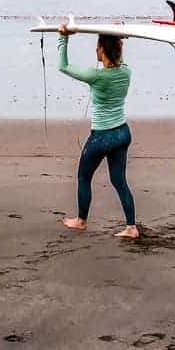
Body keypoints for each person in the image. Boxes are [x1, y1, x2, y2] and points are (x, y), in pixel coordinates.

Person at [57, 23, 139, 238]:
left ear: (101, 51)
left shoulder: (97, 76)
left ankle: (81, 221)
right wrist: (118, 36)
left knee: (84, 177)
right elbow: (119, 57)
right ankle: (131, 227)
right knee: (119, 180)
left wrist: (63, 37)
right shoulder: (126, 72)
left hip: (102, 137)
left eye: (98, 46)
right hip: (122, 133)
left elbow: (63, 66)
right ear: (120, 49)